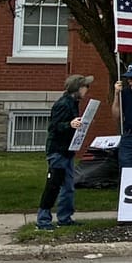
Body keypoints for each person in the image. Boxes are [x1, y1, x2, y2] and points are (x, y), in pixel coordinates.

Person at [37, 73, 93, 230]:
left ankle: (65, 217)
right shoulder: (63, 104)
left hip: (67, 151)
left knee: (68, 186)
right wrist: (70, 124)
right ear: (78, 88)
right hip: (58, 151)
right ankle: (43, 220)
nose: (87, 90)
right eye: (85, 86)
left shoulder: (73, 103)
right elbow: (54, 127)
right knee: (53, 184)